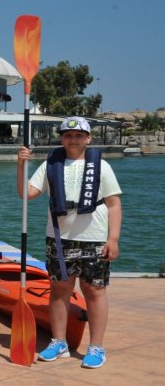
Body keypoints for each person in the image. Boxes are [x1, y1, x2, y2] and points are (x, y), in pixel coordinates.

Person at [17, 116, 122, 368]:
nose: (72, 139)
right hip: (58, 238)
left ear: (88, 138)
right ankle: (59, 342)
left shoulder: (103, 167)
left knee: (94, 291)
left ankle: (96, 347)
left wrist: (113, 238)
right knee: (59, 290)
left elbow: (114, 204)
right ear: (61, 138)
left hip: (94, 239)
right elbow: (26, 194)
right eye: (67, 135)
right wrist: (20, 165)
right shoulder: (50, 164)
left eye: (78, 135)